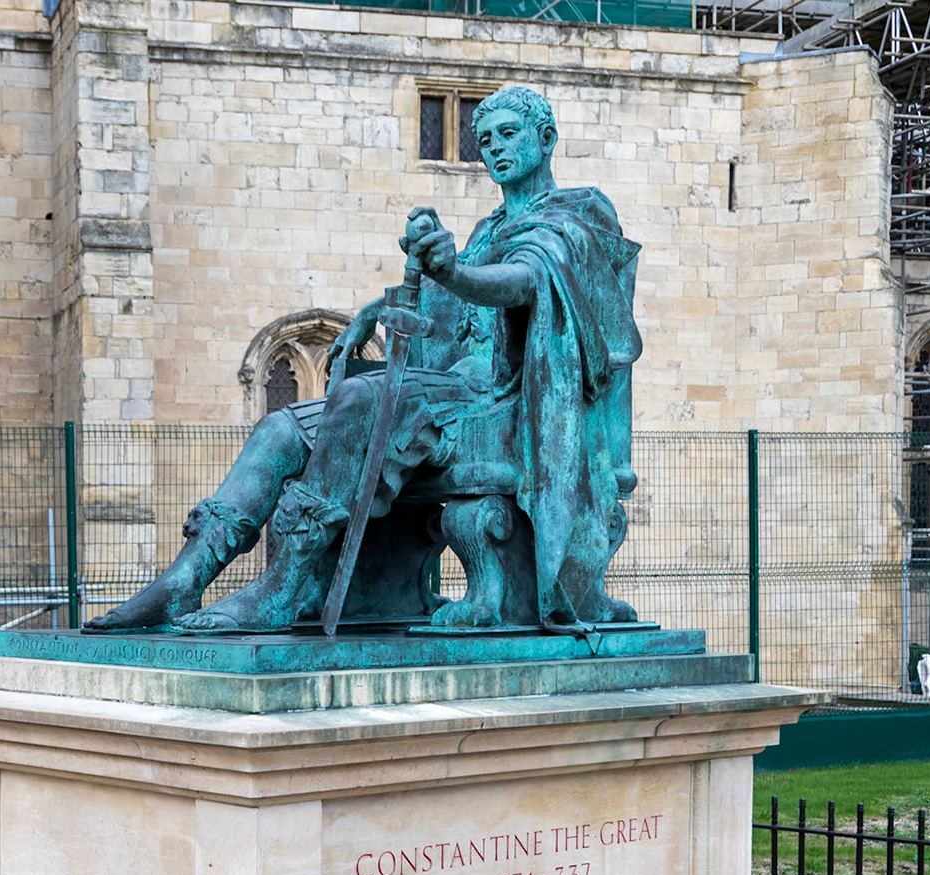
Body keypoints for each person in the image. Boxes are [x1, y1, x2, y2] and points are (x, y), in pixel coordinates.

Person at [88, 85, 642, 635]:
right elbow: (446, 310)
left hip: (505, 406)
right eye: (485, 138)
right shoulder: (487, 229)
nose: (494, 148)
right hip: (449, 393)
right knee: (281, 429)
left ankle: (281, 586)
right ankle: (184, 578)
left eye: (508, 134)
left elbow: (522, 282)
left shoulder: (575, 218)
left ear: (545, 139)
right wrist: (378, 308)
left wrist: (455, 272)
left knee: (356, 395)